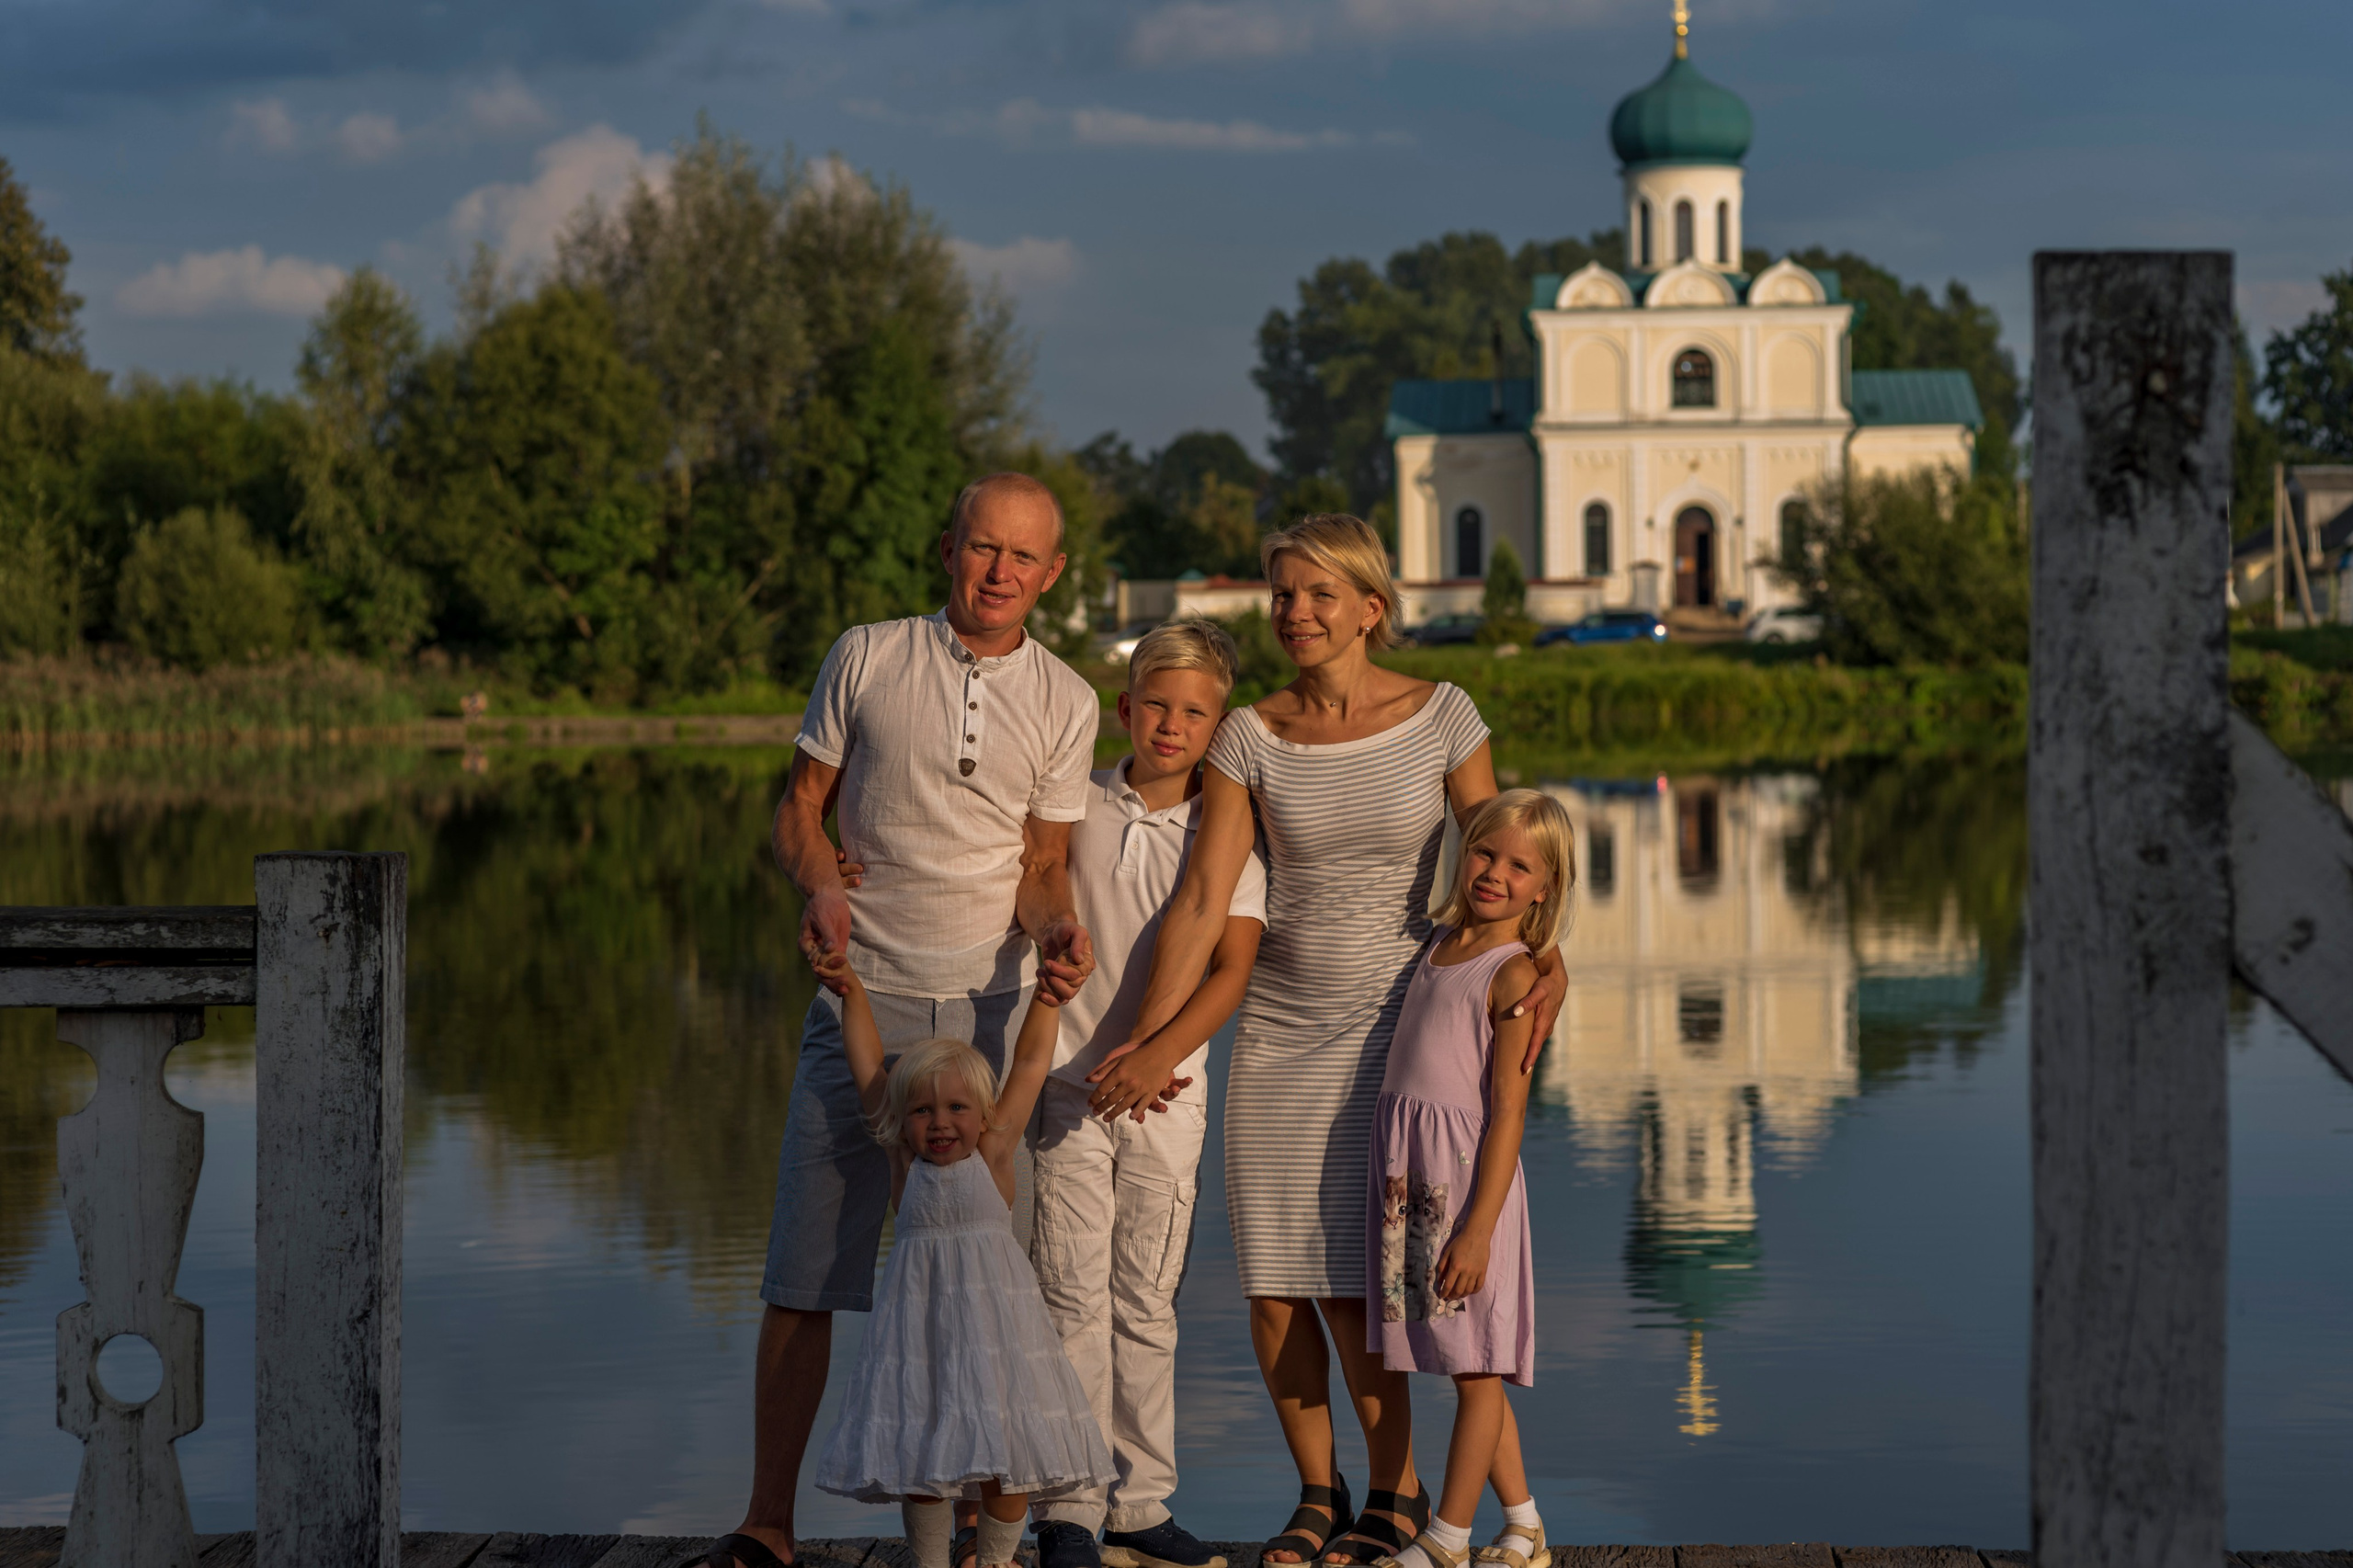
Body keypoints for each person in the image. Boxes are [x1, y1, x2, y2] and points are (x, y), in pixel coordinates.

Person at [1114, 515, 1566, 1568]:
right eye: (1282, 594)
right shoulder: (1248, 734)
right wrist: (1150, 1041)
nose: (1297, 613)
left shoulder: (1442, 714)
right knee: (1276, 1282)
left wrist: (1544, 957)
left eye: (1319, 594)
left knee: (1371, 1282)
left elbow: (1503, 852)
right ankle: (1317, 1492)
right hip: (1276, 1028)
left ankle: (1393, 1496)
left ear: (1371, 607)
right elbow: (1200, 896)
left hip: (1408, 1033)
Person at [707, 473, 1101, 1568]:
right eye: (983, 548)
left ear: (1052, 573)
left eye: (1024, 556)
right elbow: (799, 807)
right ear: (949, 549)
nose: (1000, 571)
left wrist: (1060, 927)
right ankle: (767, 1523)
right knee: (806, 1270)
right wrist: (822, 883)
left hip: (987, 1012)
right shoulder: (869, 653)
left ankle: (977, 1528)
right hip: (862, 996)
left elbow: (1043, 866)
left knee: (978, 1282)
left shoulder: (1068, 698)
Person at [1029, 621, 1270, 1568]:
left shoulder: (1226, 837)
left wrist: (1161, 1051)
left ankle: (1139, 1498)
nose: (1172, 725)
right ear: (1124, 708)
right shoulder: (1073, 802)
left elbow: (1231, 971)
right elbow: (1023, 883)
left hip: (1168, 1093)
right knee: (1069, 1292)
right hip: (1064, 1086)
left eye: (1196, 712)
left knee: (1146, 1295)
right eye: (1157, 705)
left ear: (1219, 728)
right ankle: (1070, 1507)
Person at [808, 952, 1116, 1568]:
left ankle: (996, 1559)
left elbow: (1029, 1064)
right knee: (923, 1455)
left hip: (997, 1335)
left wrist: (1048, 1001)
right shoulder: (904, 1160)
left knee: (1009, 1455)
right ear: (904, 1119)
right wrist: (852, 993)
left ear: (982, 1116)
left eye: (956, 1109)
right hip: (920, 1330)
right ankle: (929, 1561)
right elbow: (869, 1066)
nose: (940, 1122)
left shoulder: (995, 1151)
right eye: (922, 1110)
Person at [1365, 790, 1569, 1568]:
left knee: (1477, 1370)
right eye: (1486, 853)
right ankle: (1523, 1526)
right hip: (1413, 1176)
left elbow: (1509, 1115)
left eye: (1521, 867)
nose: (1495, 874)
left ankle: (1447, 1538)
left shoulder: (1513, 975)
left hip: (1464, 1191)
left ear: (1545, 887)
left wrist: (1478, 1230)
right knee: (1463, 1358)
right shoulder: (1441, 943)